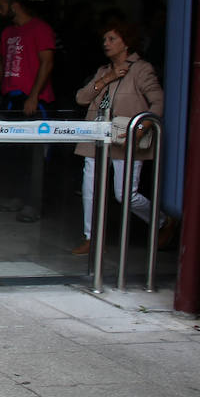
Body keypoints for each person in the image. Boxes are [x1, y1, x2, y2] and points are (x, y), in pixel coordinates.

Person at [72, 22, 167, 255]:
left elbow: (159, 101)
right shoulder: (104, 70)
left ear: (126, 42)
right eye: (104, 39)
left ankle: (163, 221)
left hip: (126, 137)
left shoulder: (141, 69)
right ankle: (90, 237)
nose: (106, 43)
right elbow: (81, 98)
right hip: (95, 134)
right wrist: (107, 79)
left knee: (125, 194)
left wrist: (142, 127)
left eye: (112, 39)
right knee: (90, 187)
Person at [0, 0, 56, 222]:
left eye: (1, 3)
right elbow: (3, 63)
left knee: (34, 155)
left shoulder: (40, 28)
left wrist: (34, 95)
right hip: (11, 97)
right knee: (13, 152)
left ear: (14, 5)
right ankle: (17, 197)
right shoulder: (8, 32)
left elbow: (47, 63)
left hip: (33, 99)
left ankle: (34, 203)